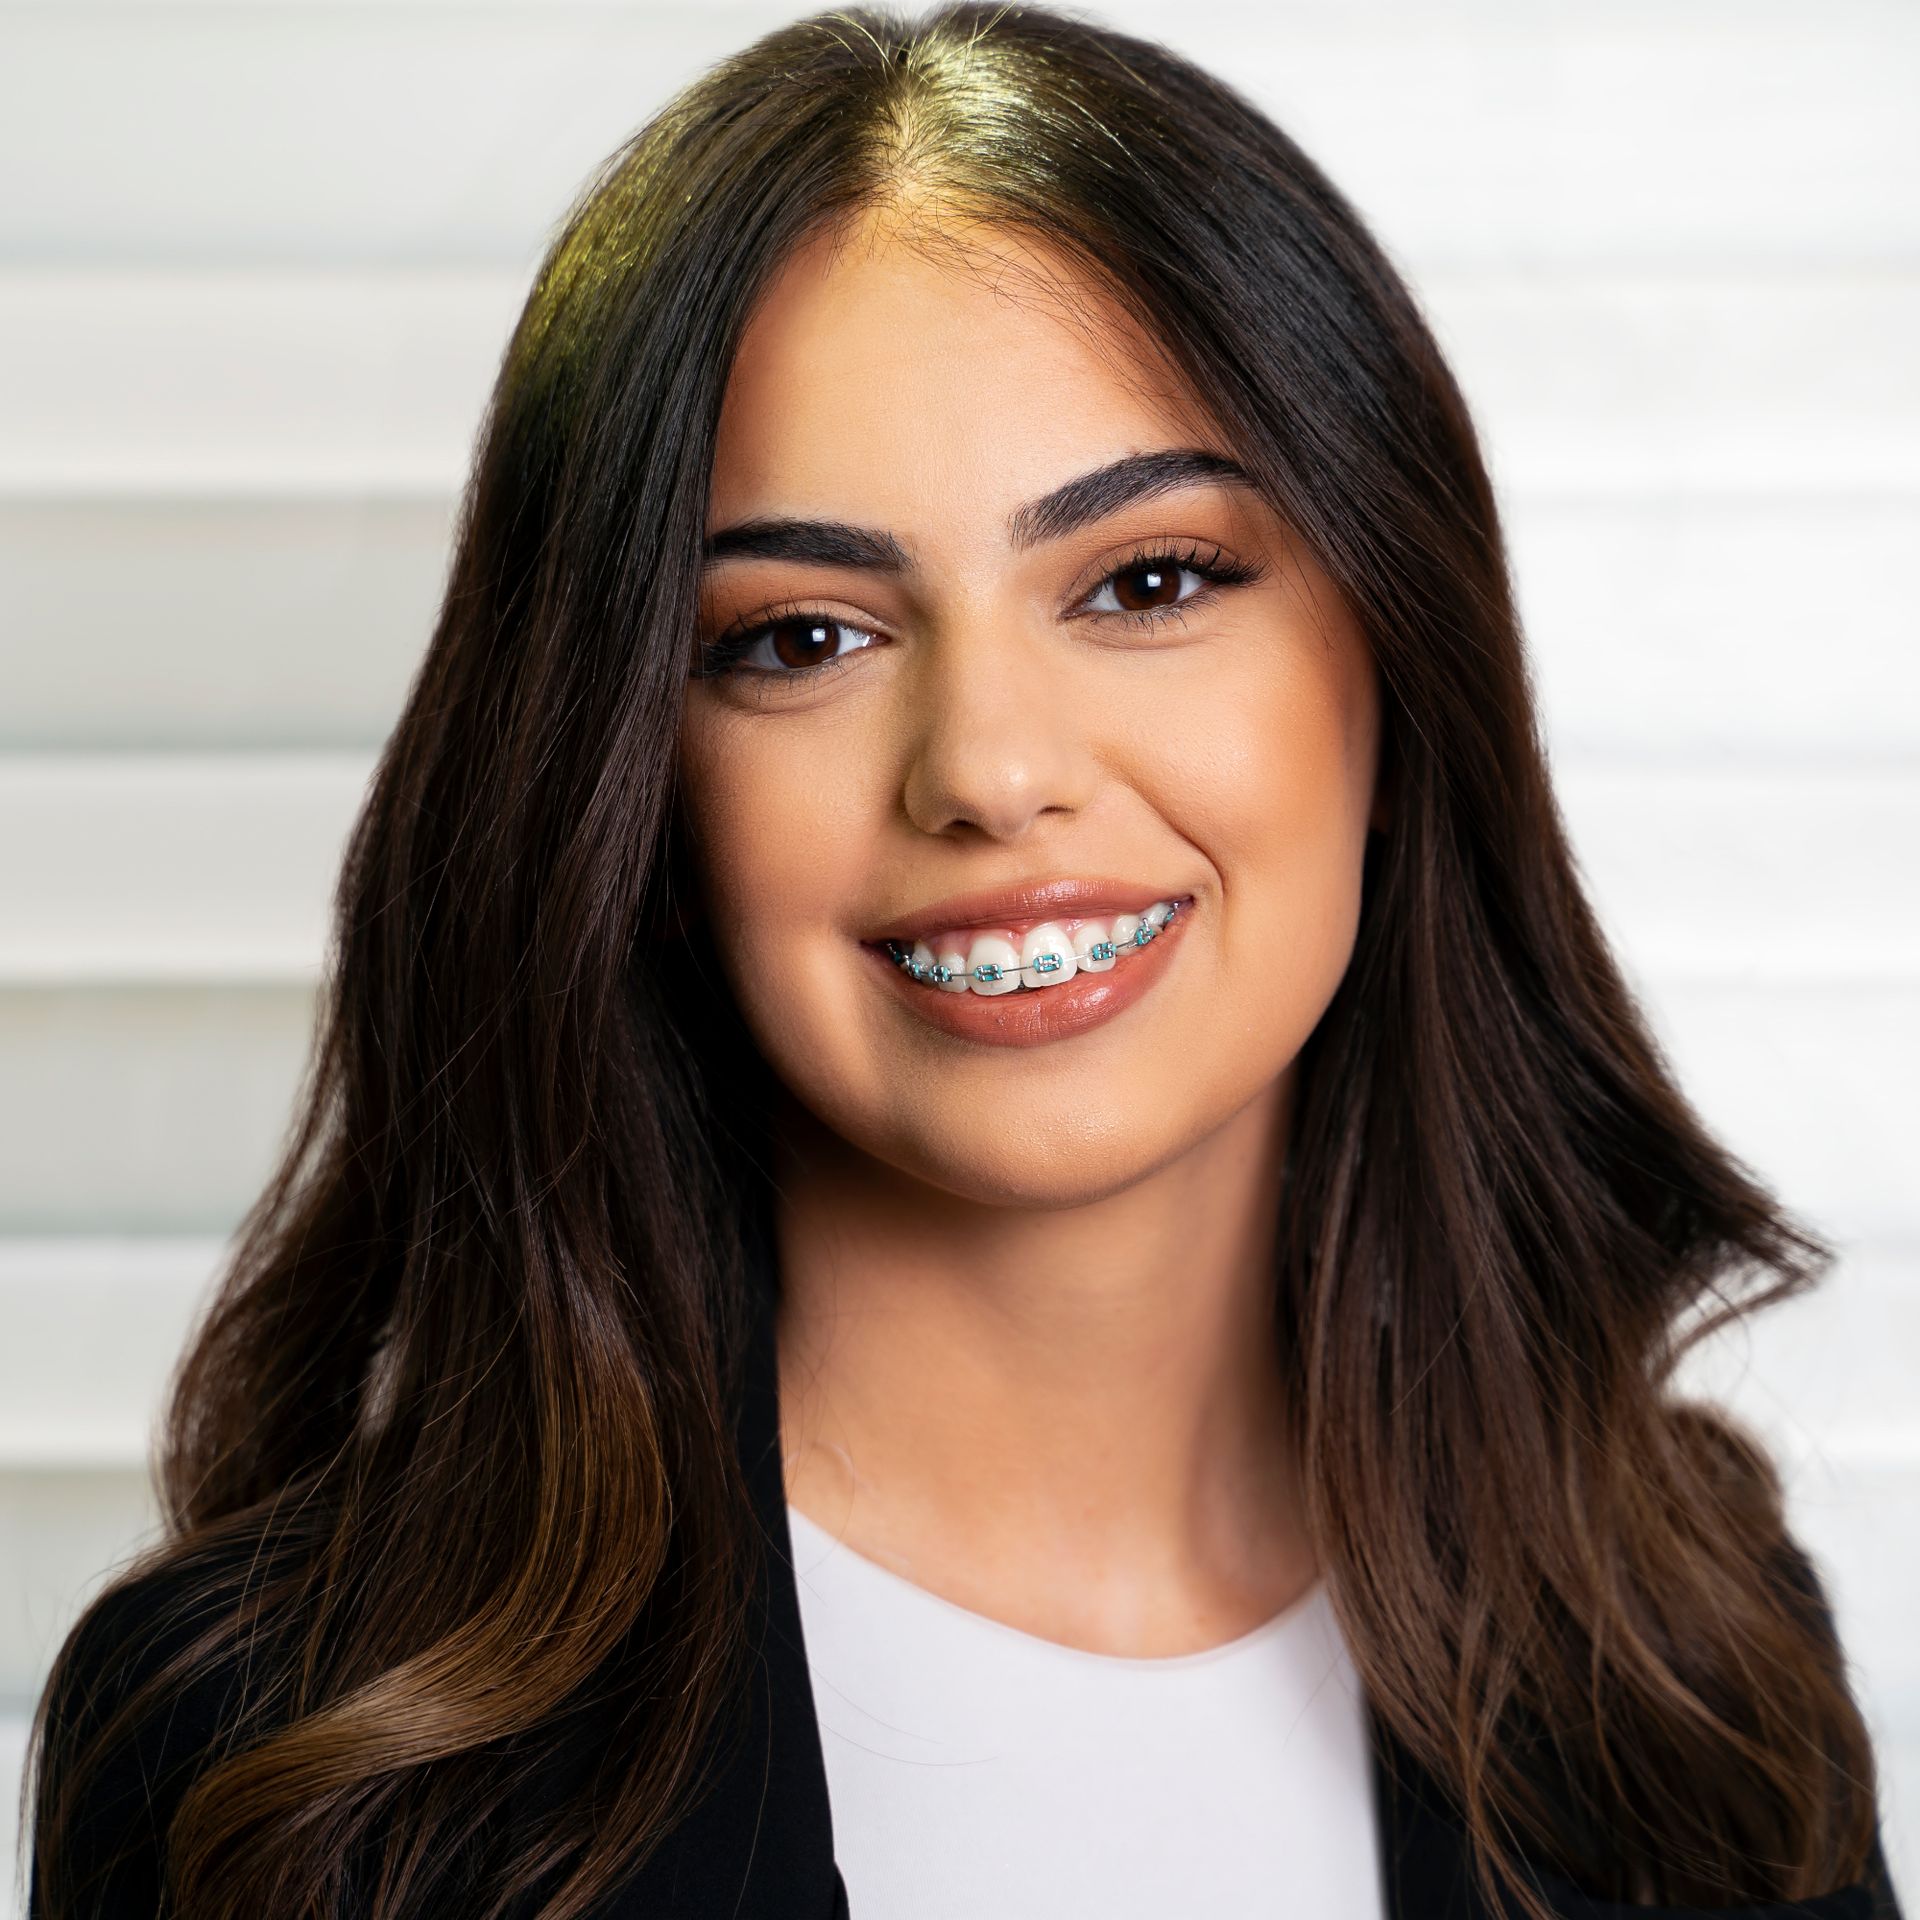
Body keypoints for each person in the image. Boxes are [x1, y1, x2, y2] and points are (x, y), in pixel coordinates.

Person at [24, 5, 1906, 1917]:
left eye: (1149, 583)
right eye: (799, 639)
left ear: (1399, 679)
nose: (993, 772)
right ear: (634, 797)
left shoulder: (1703, 1683)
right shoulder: (272, 1758)